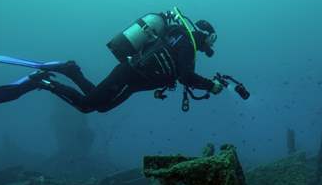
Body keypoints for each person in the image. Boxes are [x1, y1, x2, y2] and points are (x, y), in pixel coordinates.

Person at [29, 9, 223, 113]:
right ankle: (44, 82)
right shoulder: (187, 45)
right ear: (205, 35)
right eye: (211, 40)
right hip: (130, 76)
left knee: (99, 103)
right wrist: (211, 85)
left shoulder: (175, 33)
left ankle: (71, 71)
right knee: (87, 105)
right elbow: (186, 77)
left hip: (130, 75)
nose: (210, 47)